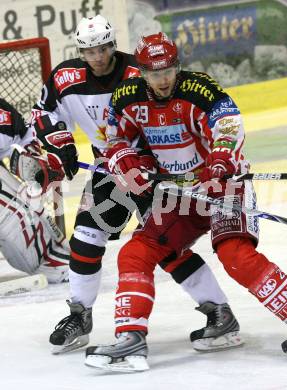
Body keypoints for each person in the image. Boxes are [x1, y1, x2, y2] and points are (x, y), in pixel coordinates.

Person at [84, 32, 287, 372]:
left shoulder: (199, 89)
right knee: (135, 252)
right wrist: (125, 160)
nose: (163, 80)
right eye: (155, 73)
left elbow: (229, 125)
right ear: (140, 72)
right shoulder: (126, 97)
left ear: (178, 66)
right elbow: (114, 138)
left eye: (169, 70)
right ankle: (131, 339)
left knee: (235, 255)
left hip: (222, 185)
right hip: (178, 192)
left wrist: (219, 161)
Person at [29, 16, 241, 354]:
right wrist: (61, 141)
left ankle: (218, 310)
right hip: (110, 169)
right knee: (85, 238)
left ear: (113, 45)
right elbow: (42, 113)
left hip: (155, 171)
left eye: (102, 48)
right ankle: (79, 315)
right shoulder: (65, 78)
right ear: (80, 51)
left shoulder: (138, 72)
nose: (97, 56)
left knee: (166, 247)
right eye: (89, 50)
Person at [0, 97, 69, 284]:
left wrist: (32, 158)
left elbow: (25, 138)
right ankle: (48, 260)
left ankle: (50, 256)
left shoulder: (3, 113)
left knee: (27, 202)